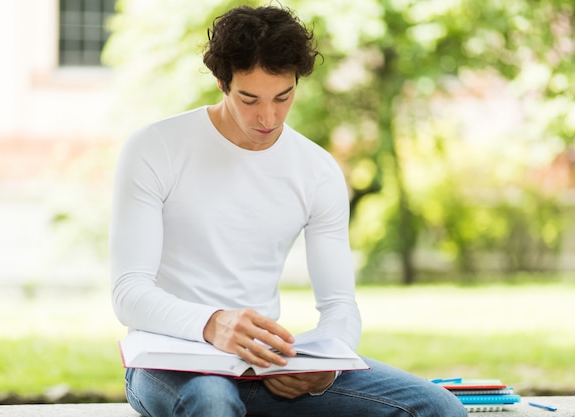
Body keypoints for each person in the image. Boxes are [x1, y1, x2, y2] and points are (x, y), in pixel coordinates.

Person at [110, 4, 467, 417]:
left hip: (263, 368)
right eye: (249, 99)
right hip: (169, 360)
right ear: (222, 83)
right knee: (212, 401)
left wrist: (325, 369)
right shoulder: (156, 149)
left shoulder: (315, 170)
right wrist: (213, 323)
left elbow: (339, 305)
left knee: (437, 408)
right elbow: (129, 293)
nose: (268, 117)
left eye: (283, 97)